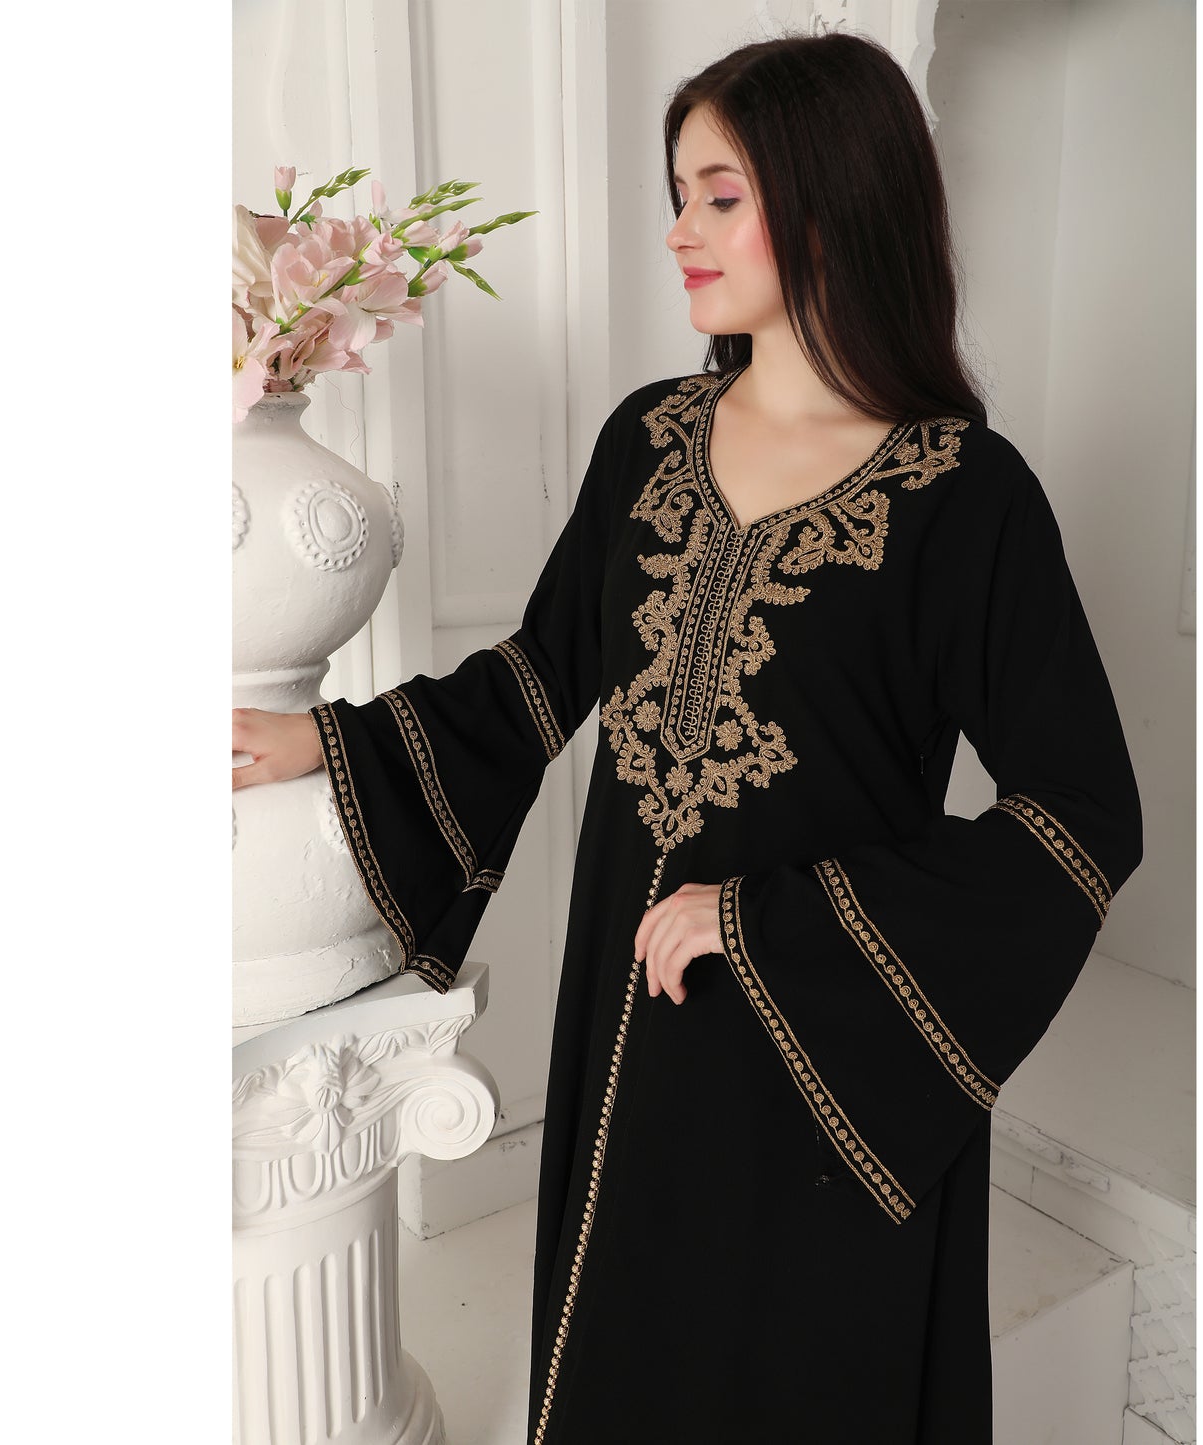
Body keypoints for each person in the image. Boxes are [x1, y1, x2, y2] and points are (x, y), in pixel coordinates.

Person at [232, 31, 1142, 1445]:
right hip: (633, 1002)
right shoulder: (648, 440)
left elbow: (1079, 817)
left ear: (832, 199)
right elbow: (542, 675)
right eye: (678, 195)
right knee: (629, 1331)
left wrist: (772, 920)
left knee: (799, 1365)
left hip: (828, 1039)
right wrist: (334, 747)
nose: (678, 231)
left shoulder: (966, 496)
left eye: (720, 196)